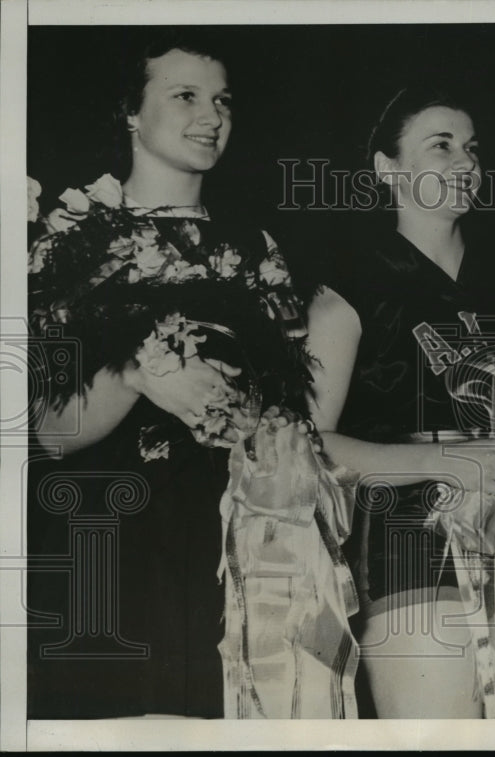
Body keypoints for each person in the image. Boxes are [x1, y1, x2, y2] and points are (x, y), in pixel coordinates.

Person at [27, 33, 356, 719]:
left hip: (232, 542)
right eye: (185, 96)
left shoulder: (256, 248)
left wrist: (263, 421)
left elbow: (293, 415)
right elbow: (48, 433)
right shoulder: (69, 240)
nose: (211, 116)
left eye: (222, 101)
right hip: (111, 537)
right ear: (130, 112)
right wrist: (138, 376)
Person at [305, 87, 495, 718]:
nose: (466, 161)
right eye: (441, 145)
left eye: (472, 148)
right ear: (388, 168)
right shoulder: (348, 292)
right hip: (412, 543)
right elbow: (310, 445)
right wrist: (446, 462)